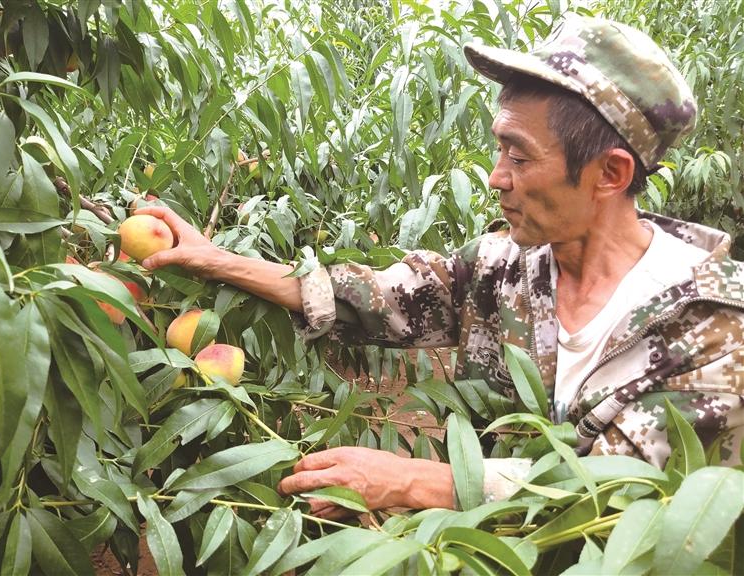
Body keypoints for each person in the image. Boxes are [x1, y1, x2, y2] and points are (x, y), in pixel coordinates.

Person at [136, 16, 744, 519]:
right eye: (499, 147)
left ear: (609, 173)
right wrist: (217, 260)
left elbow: (624, 498)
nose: (495, 177)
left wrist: (416, 481)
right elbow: (384, 298)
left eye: (519, 157)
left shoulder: (715, 328)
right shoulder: (507, 266)